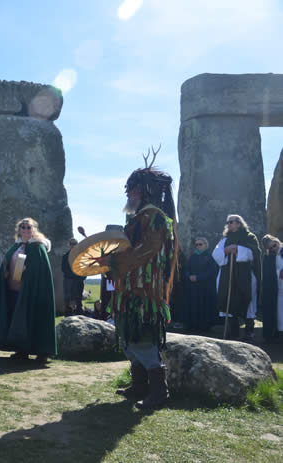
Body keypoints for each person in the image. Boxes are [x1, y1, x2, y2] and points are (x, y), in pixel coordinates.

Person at [96, 147, 178, 409]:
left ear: (145, 192)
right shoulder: (137, 218)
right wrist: (110, 259)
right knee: (129, 338)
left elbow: (147, 251)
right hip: (129, 288)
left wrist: (113, 262)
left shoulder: (154, 217)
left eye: (132, 190)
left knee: (142, 338)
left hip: (144, 290)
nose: (128, 195)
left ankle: (160, 392)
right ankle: (140, 385)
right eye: (128, 190)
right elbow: (129, 248)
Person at [0, 217, 56, 362]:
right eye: (23, 227)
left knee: (34, 319)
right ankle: (21, 350)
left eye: (28, 227)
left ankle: (42, 352)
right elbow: (7, 262)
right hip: (14, 290)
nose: (25, 230)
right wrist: (5, 271)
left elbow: (40, 271)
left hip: (32, 291)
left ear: (33, 229)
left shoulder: (38, 247)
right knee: (18, 321)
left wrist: (28, 270)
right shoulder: (16, 246)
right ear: (19, 230)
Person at [212, 215, 261, 342]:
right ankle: (233, 332)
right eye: (227, 222)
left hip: (245, 275)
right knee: (229, 300)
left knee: (247, 300)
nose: (228, 224)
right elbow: (216, 253)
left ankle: (249, 332)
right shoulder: (225, 239)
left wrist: (238, 249)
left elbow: (255, 253)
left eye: (231, 222)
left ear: (239, 223)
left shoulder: (249, 237)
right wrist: (226, 250)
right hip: (228, 275)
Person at [184, 237, 219, 333]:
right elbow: (187, 269)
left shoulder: (210, 257)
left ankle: (204, 326)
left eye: (200, 244)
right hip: (193, 287)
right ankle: (193, 325)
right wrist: (189, 276)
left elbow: (212, 272)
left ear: (205, 245)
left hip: (205, 287)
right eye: (196, 245)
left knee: (204, 307)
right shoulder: (193, 256)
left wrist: (198, 277)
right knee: (194, 306)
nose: (198, 246)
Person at [261, 235, 283, 342]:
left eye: (274, 245)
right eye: (271, 248)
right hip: (277, 288)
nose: (274, 249)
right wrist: (278, 273)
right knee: (279, 311)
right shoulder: (269, 256)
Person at [62, 237, 86, 315]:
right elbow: (64, 269)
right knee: (68, 300)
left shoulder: (81, 256)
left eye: (74, 244)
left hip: (79, 281)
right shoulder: (65, 256)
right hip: (69, 282)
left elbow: (84, 268)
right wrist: (74, 275)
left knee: (78, 299)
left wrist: (82, 278)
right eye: (71, 244)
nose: (73, 245)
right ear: (69, 245)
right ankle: (68, 317)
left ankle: (80, 316)